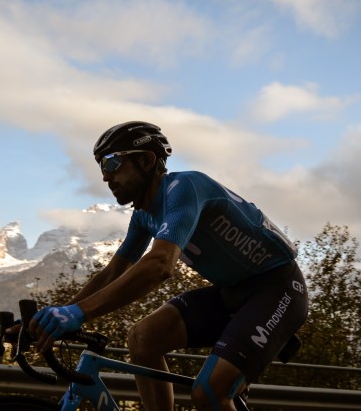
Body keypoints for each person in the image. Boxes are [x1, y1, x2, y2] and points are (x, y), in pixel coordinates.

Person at [29, 121, 309, 411]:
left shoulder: (185, 187)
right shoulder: (144, 216)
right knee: (142, 339)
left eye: (111, 162)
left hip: (278, 290)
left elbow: (161, 264)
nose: (105, 176)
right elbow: (113, 273)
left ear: (146, 160)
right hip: (231, 293)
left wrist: (78, 313)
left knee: (209, 392)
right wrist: (54, 317)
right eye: (101, 165)